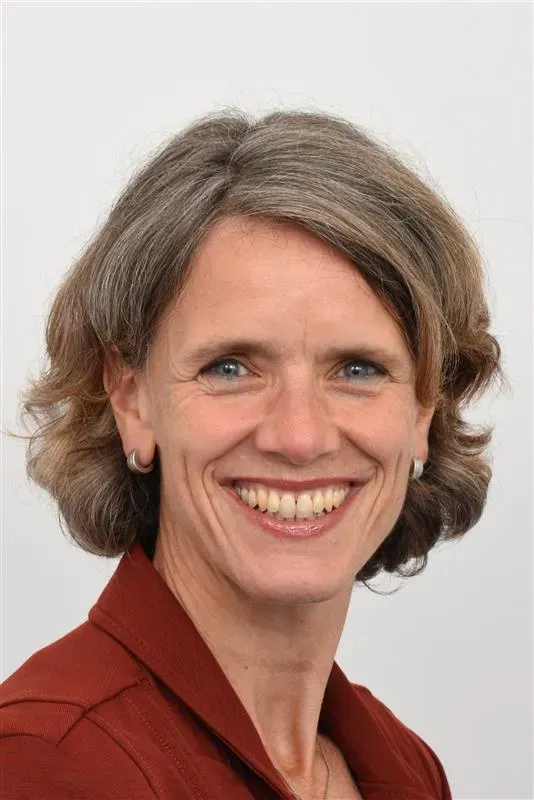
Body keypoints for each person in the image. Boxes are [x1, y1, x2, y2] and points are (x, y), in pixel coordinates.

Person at [1, 109, 503, 800]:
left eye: (358, 369)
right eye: (231, 367)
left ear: (425, 407)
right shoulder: (47, 763)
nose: (299, 437)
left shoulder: (404, 767)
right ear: (131, 400)